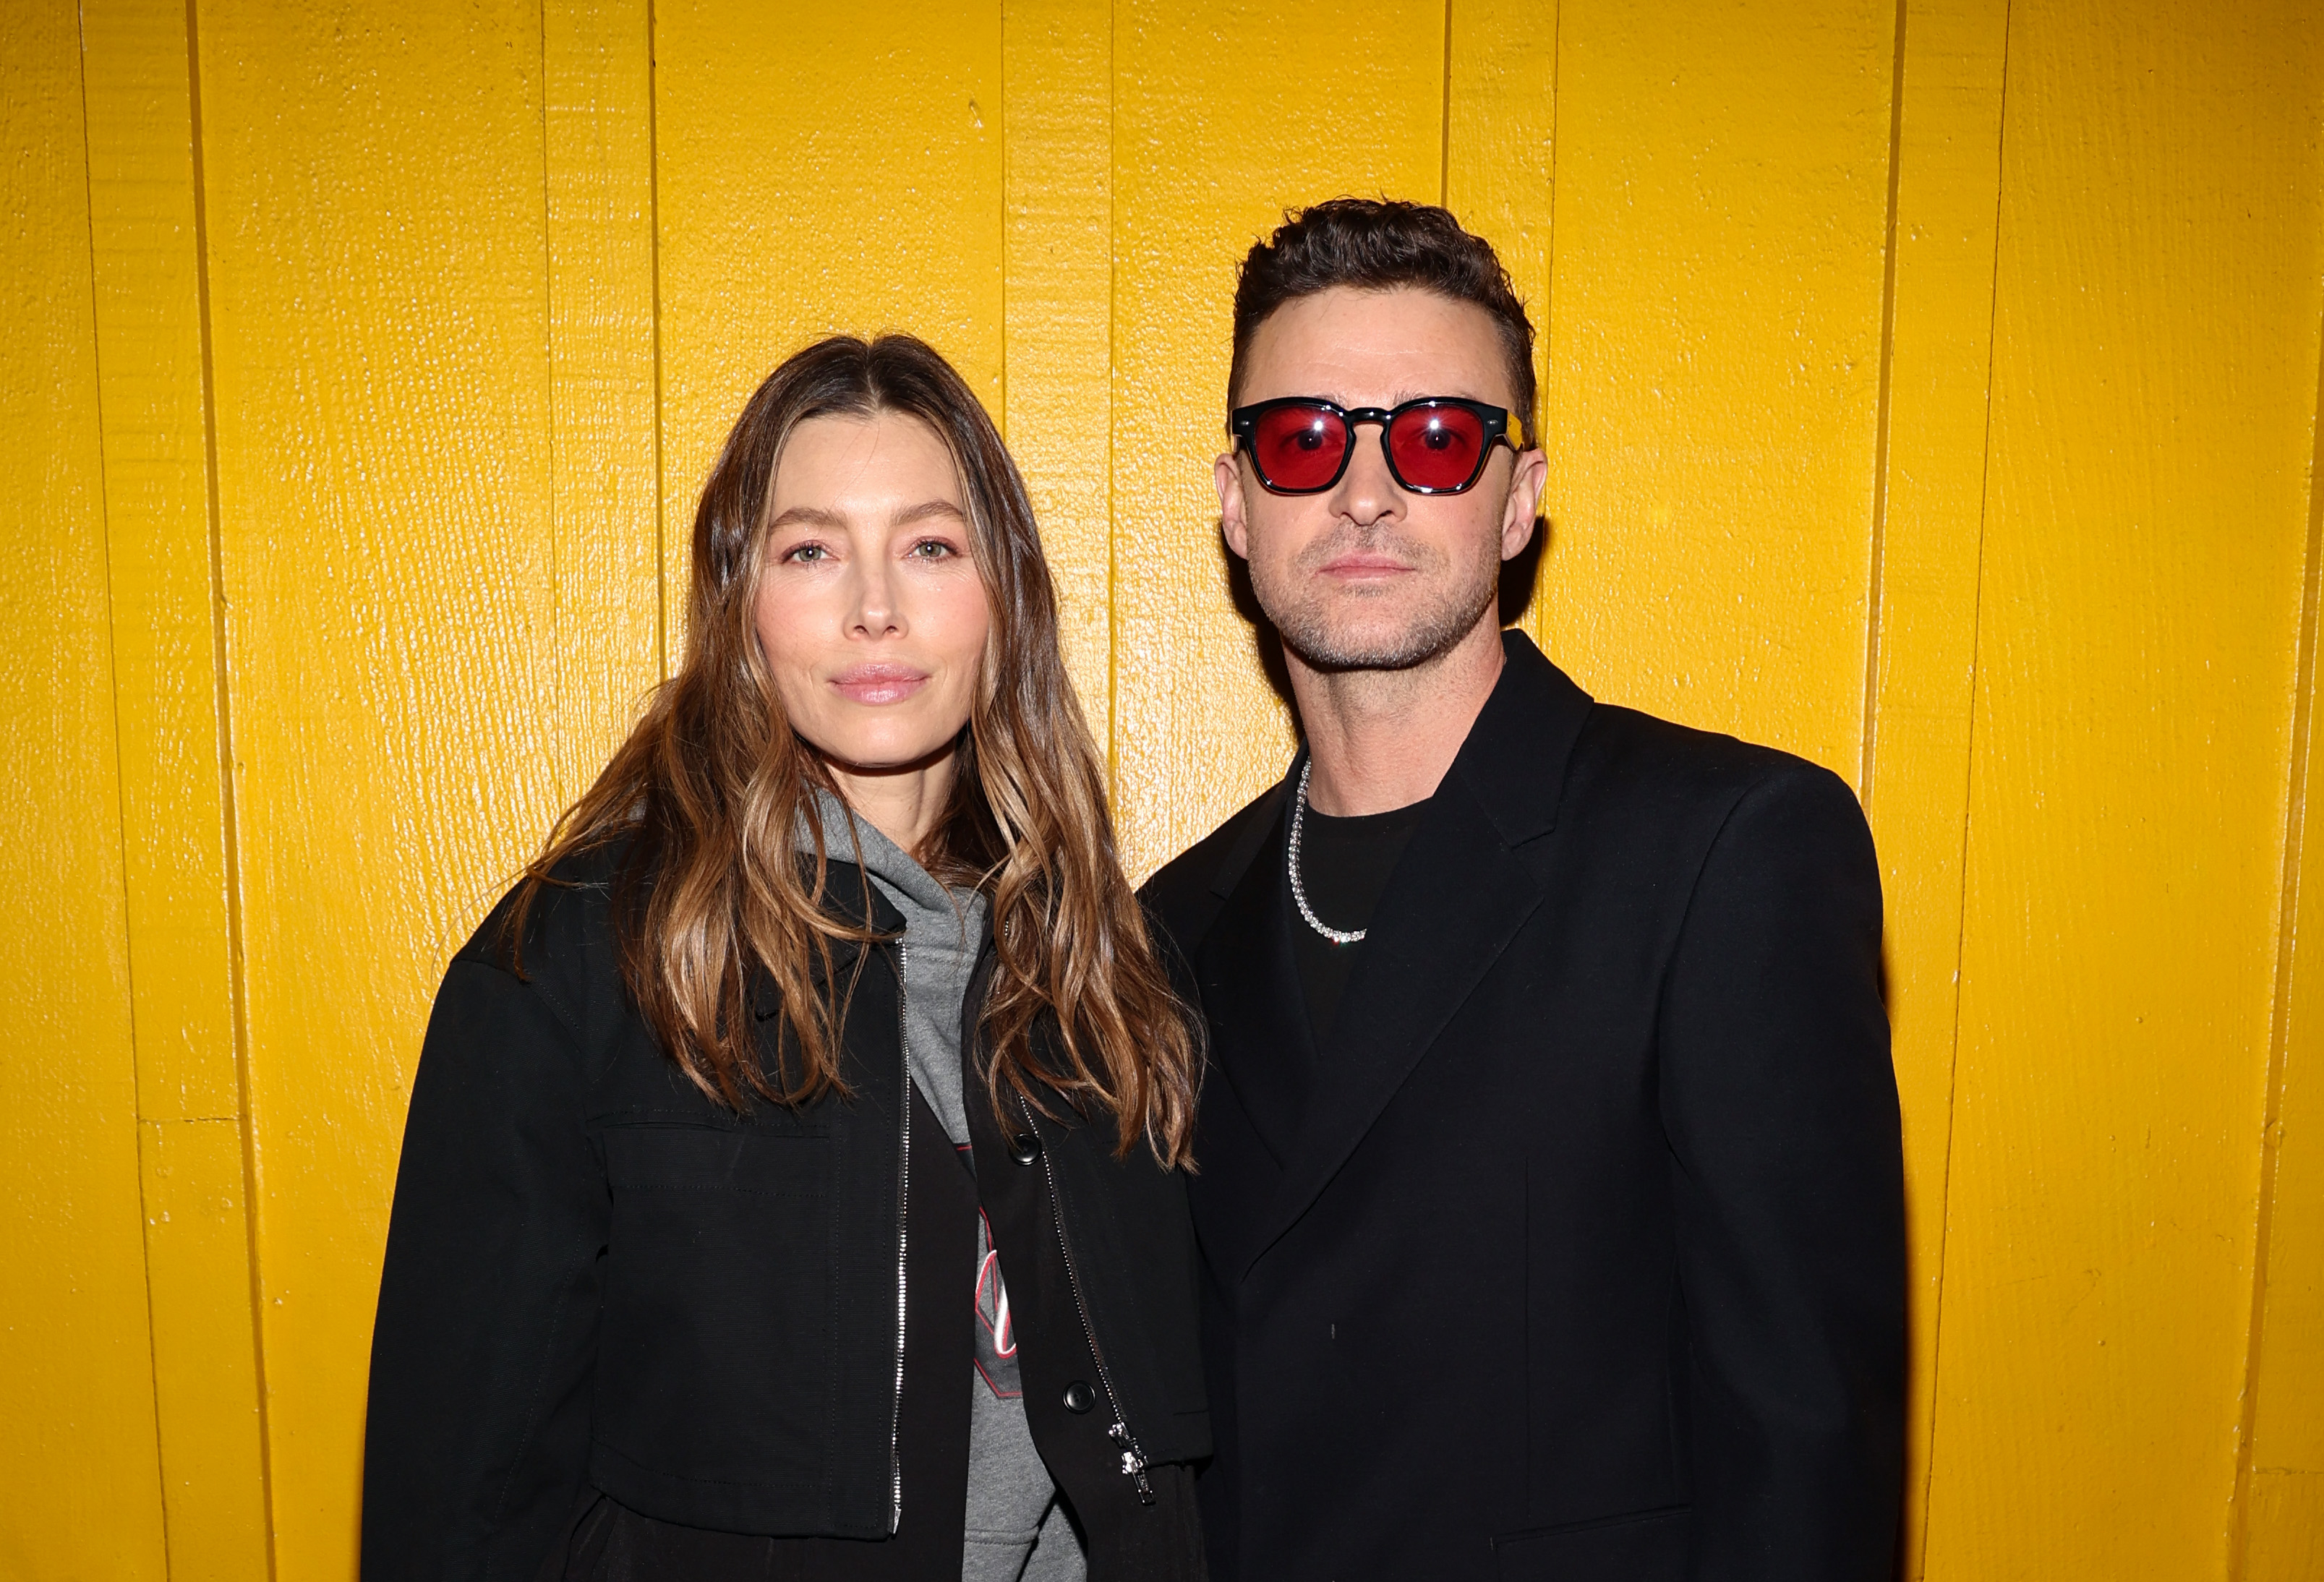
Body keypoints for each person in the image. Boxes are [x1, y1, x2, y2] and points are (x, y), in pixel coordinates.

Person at [363, 335, 1210, 1582]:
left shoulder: (1109, 977)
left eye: (931, 546)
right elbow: (458, 1500)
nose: (876, 606)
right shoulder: (583, 963)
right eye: (810, 550)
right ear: (739, 600)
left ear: (1005, 595)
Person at [1141, 200, 1905, 1581]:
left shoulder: (1727, 848)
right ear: (1235, 504)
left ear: (1521, 497)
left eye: (1434, 440)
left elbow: (1808, 1443)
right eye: (1305, 439)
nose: (1365, 493)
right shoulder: (1169, 926)